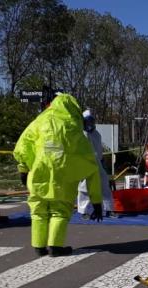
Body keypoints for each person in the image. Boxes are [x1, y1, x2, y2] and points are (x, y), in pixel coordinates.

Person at [14, 93, 103, 257]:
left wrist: (23, 168)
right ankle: (55, 246)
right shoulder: (74, 130)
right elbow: (91, 167)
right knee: (60, 211)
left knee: (38, 211)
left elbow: (23, 143)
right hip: (63, 177)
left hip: (39, 172)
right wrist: (96, 201)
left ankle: (39, 246)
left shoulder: (40, 121)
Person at [77, 110, 115, 219]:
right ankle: (84, 211)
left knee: (104, 185)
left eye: (91, 122)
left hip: (98, 163)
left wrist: (102, 162)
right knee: (84, 187)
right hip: (86, 163)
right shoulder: (81, 135)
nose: (90, 124)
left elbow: (99, 151)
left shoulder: (97, 134)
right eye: (88, 122)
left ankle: (108, 209)